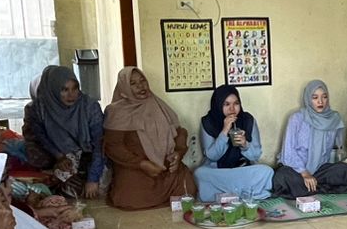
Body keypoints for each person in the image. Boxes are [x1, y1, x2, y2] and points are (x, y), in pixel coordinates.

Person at [271, 79, 347, 197]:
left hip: (319, 171)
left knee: (344, 170)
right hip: (296, 171)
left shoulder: (333, 119)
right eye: (315, 97)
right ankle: (321, 187)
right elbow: (288, 152)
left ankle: (310, 188)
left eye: (324, 97)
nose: (320, 101)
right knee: (282, 177)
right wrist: (304, 173)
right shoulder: (297, 119)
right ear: (308, 99)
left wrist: (330, 168)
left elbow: (335, 152)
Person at [102, 67, 198, 210]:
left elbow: (179, 132)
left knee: (187, 186)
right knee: (130, 197)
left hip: (165, 166)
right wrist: (141, 164)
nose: (141, 86)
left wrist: (178, 153)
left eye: (143, 81)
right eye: (133, 83)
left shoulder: (158, 105)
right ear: (124, 87)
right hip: (135, 167)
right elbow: (113, 146)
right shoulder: (116, 111)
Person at [23, 65, 107, 198]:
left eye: (75, 89)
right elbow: (41, 136)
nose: (71, 95)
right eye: (64, 90)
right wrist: (59, 156)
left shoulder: (89, 107)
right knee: (69, 187)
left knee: (99, 186)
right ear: (54, 90)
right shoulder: (41, 108)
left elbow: (100, 144)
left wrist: (93, 179)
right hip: (63, 154)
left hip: (90, 154)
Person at [196, 84, 276, 201]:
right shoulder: (208, 122)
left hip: (243, 169)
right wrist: (224, 131)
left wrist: (245, 144)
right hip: (218, 171)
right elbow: (212, 156)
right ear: (218, 105)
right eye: (226, 104)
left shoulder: (248, 120)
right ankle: (246, 194)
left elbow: (256, 155)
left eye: (236, 103)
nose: (232, 109)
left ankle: (224, 196)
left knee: (266, 171)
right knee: (200, 173)